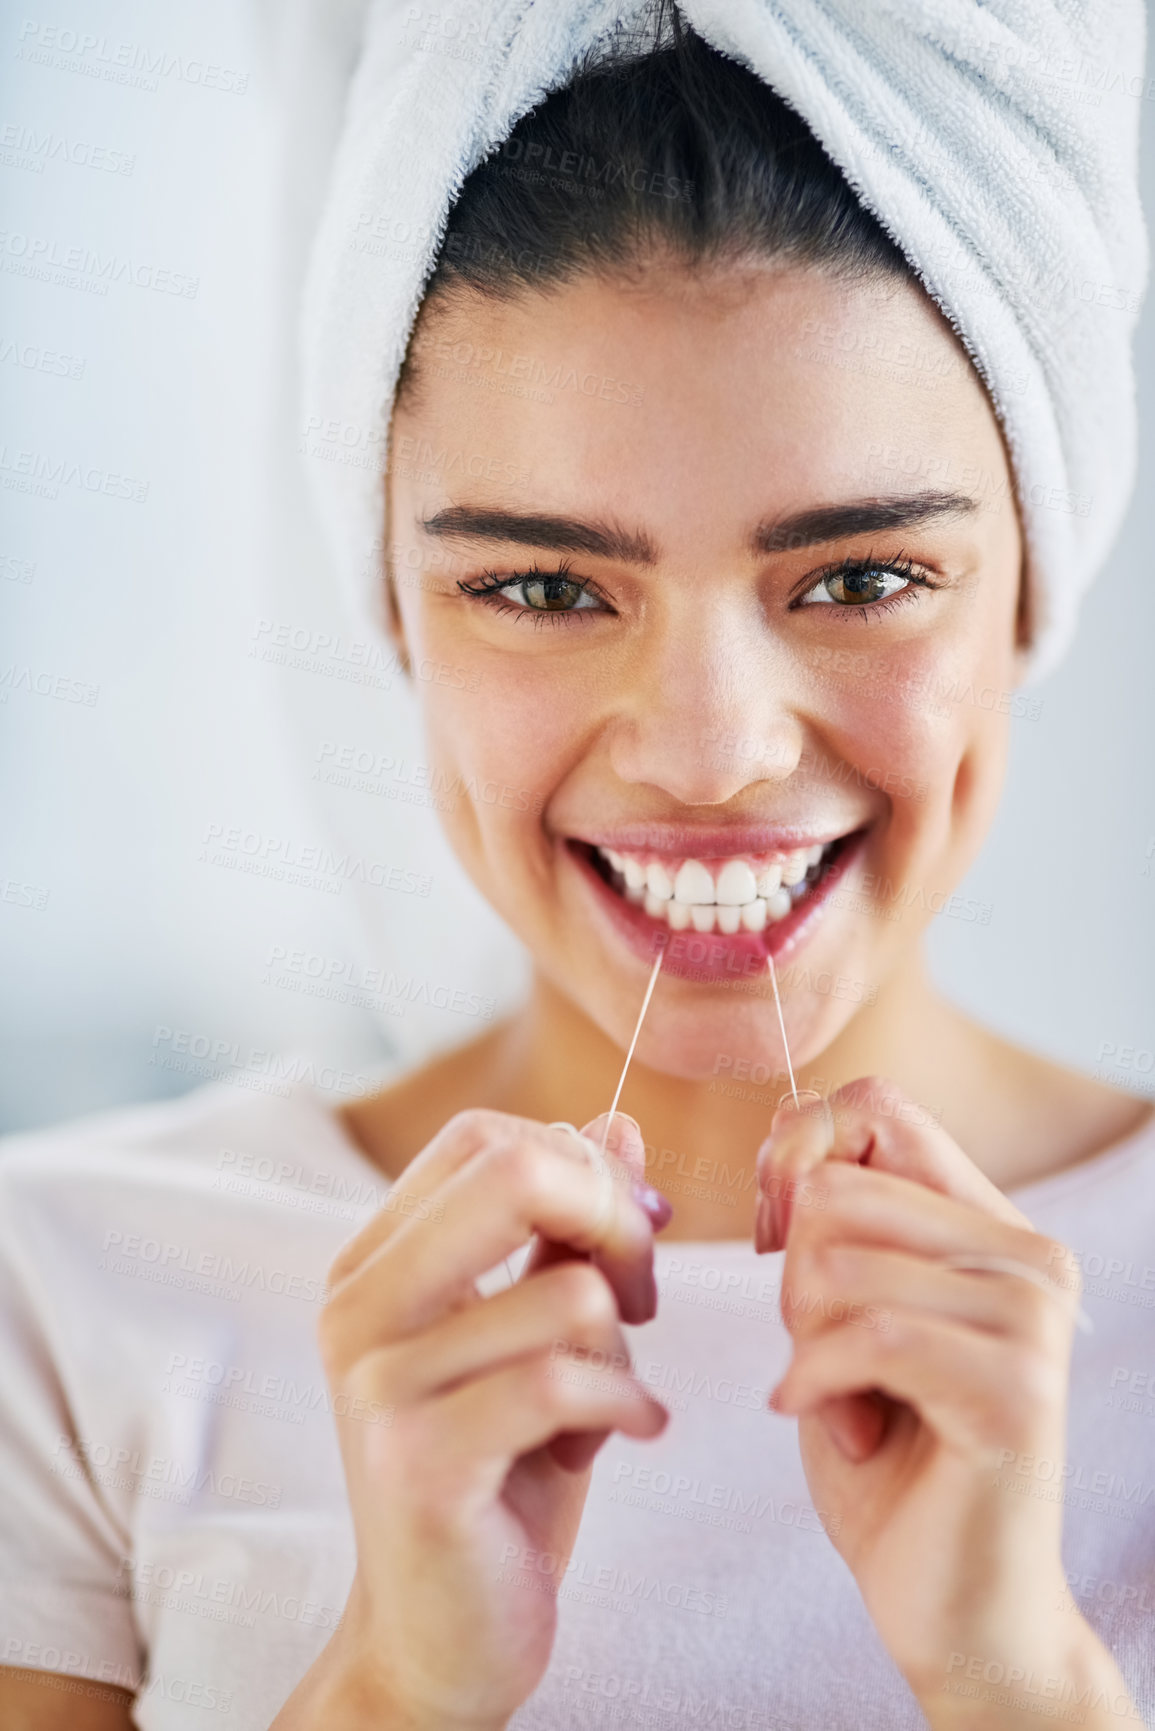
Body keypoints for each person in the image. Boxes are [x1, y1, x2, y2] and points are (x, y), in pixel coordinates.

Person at [1, 12, 1152, 1730]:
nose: (705, 755)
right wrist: (390, 1689)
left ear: (1034, 587)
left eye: (858, 578)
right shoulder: (63, 1296)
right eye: (543, 589)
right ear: (395, 609)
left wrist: (1017, 1678)